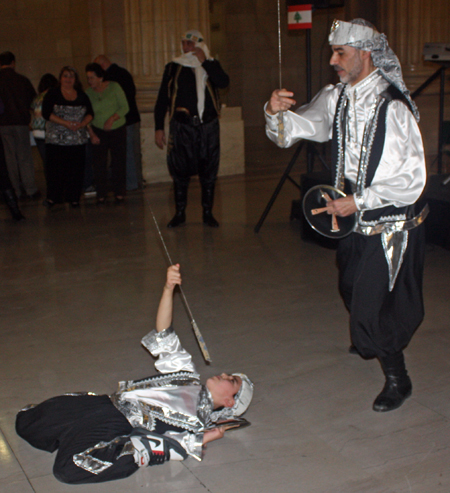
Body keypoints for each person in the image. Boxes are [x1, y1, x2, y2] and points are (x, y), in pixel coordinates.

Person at [265, 19, 427, 413]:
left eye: (342, 53)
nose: (333, 60)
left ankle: (397, 376)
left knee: (372, 300)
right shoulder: (337, 96)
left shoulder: (393, 107)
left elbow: (410, 177)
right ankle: (368, 334)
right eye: (333, 52)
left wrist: (360, 201)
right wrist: (274, 112)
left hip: (389, 215)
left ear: (366, 54)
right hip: (350, 209)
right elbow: (294, 129)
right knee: (350, 284)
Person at [15, 264, 254, 484]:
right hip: (105, 403)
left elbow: (180, 445)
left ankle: (121, 449)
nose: (223, 374)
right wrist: (168, 288)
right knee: (27, 423)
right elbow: (164, 333)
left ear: (229, 401)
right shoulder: (187, 374)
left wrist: (209, 436)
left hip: (115, 424)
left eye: (230, 380)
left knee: (68, 468)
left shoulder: (195, 421)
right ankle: (70, 433)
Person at [154, 30, 229, 228]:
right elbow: (163, 98)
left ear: (200, 45)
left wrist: (206, 62)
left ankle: (207, 212)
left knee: (209, 169)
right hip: (183, 127)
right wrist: (158, 127)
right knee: (180, 170)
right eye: (184, 44)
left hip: (208, 126)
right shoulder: (174, 67)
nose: (187, 48)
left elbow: (224, 82)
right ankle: (180, 213)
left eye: (190, 44)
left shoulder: (211, 65)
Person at [41, 67, 93, 207]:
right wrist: (66, 123)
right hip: (56, 140)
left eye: (71, 76)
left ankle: (74, 197)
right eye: (65, 76)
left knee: (76, 170)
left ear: (75, 79)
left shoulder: (82, 95)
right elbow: (46, 113)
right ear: (60, 78)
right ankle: (53, 197)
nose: (68, 79)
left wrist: (82, 124)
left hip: (77, 139)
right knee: (56, 170)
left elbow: (90, 113)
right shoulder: (53, 93)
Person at [94, 55, 143, 191]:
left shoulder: (112, 78)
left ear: (102, 65)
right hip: (130, 118)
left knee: (127, 153)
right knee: (133, 152)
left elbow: (120, 102)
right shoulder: (123, 73)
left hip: (124, 120)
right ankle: (135, 182)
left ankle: (130, 184)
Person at [85, 63, 129, 204]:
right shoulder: (88, 93)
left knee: (118, 162)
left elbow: (125, 107)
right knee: (99, 163)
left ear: (100, 77)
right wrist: (91, 133)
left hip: (117, 128)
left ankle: (119, 192)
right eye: (88, 78)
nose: (90, 81)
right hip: (98, 130)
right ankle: (101, 193)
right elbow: (85, 115)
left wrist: (112, 119)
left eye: (92, 78)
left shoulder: (114, 87)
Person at [0, 51, 39, 200]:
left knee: (9, 158)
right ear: (13, 63)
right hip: (21, 123)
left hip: (2, 124)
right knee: (24, 157)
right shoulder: (22, 80)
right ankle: (30, 189)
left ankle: (14, 190)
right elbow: (33, 102)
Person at [30, 73, 58, 175]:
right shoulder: (55, 95)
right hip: (50, 131)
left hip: (37, 133)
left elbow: (33, 111)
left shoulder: (37, 98)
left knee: (46, 162)